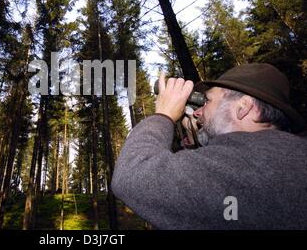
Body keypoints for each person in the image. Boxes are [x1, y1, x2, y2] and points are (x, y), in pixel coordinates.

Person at [112, 63, 307, 229]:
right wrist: (195, 141)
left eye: (207, 101)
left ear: (243, 107)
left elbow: (132, 176)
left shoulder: (240, 165)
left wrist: (163, 115)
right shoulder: (286, 156)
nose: (198, 113)